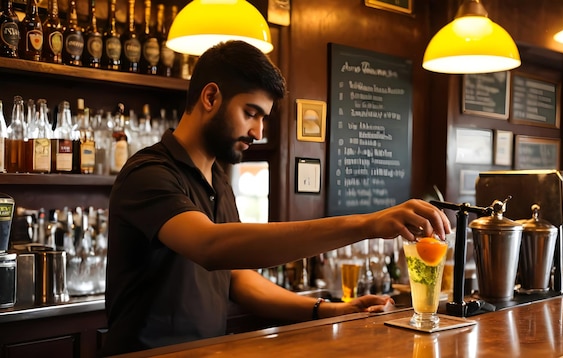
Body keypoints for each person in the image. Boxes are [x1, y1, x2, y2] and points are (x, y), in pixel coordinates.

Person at [102, 40, 451, 355]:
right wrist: (368, 223)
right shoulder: (149, 173)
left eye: (263, 119)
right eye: (250, 113)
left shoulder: (217, 180)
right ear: (210, 98)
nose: (257, 132)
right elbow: (210, 247)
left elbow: (237, 276)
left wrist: (327, 309)